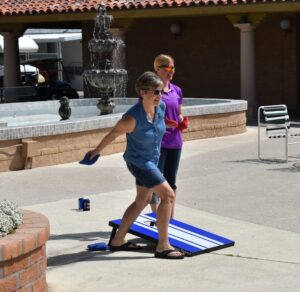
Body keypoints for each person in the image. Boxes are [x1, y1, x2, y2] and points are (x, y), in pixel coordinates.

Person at [89, 71, 184, 259]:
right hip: (139, 163)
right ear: (142, 93)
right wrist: (96, 151)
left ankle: (118, 240)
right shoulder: (131, 118)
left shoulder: (161, 107)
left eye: (161, 92)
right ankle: (163, 246)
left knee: (142, 200)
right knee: (168, 195)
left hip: (152, 161)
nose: (159, 96)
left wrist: (173, 125)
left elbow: (160, 123)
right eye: (155, 92)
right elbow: (112, 134)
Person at [150, 54, 186, 218]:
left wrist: (181, 119)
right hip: (158, 143)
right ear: (157, 69)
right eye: (167, 67)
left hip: (175, 142)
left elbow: (179, 112)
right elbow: (147, 115)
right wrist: (162, 122)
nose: (171, 71)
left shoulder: (177, 90)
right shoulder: (151, 91)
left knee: (171, 181)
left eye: (173, 67)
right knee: (157, 181)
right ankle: (157, 217)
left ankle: (170, 218)